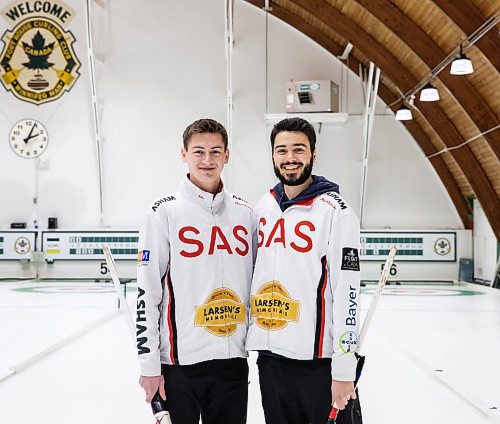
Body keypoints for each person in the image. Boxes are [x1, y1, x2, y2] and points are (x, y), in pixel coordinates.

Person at [136, 118, 255, 424]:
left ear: (227, 156)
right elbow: (147, 293)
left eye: (216, 152)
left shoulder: (245, 214)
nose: (207, 160)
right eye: (199, 151)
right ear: (184, 154)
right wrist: (150, 367)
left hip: (232, 362)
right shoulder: (163, 212)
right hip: (179, 364)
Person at [246, 117, 363, 424]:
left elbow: (347, 294)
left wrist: (343, 369)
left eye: (299, 149)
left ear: (313, 154)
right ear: (273, 155)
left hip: (319, 364)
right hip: (271, 362)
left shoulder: (336, 212)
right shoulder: (263, 207)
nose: (290, 158)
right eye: (281, 150)